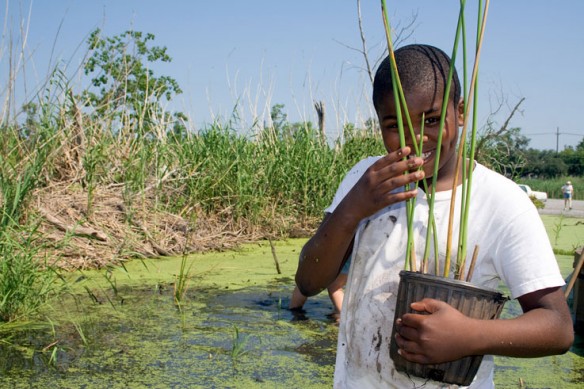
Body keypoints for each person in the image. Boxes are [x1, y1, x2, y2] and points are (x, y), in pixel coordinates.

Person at [294, 44, 574, 388]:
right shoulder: (363, 179)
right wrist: (354, 208)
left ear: (460, 112)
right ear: (379, 123)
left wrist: (470, 335)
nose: (414, 139)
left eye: (431, 120)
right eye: (395, 125)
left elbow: (558, 328)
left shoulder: (502, 202)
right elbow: (308, 281)